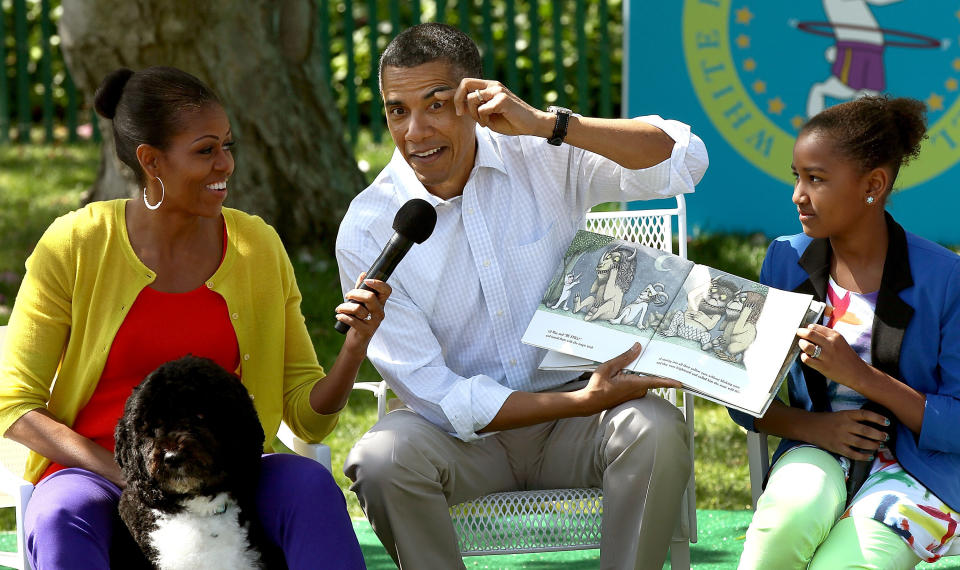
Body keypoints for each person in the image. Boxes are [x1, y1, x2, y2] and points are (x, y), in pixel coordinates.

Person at [335, 23, 708, 570]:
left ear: (475, 97)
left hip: (579, 422)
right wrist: (582, 401)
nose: (414, 131)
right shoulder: (369, 226)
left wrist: (548, 124)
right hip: (462, 440)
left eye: (436, 104)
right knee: (381, 458)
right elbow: (436, 394)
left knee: (655, 432)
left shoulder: (542, 149)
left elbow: (683, 159)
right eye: (397, 110)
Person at [0, 66, 389, 569]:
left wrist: (355, 347)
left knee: (309, 484)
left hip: (230, 470)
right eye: (206, 151)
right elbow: (14, 403)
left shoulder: (257, 247)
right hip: (98, 472)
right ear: (151, 160)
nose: (225, 164)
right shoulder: (76, 244)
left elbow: (306, 417)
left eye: (228, 146)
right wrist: (132, 476)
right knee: (59, 515)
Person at [729, 95, 960, 568]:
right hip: (816, 445)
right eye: (797, 175)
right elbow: (744, 395)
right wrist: (817, 428)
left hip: (921, 470)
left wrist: (860, 375)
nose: (798, 194)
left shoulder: (946, 278)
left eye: (816, 179)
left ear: (873, 185)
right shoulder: (784, 260)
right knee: (782, 528)